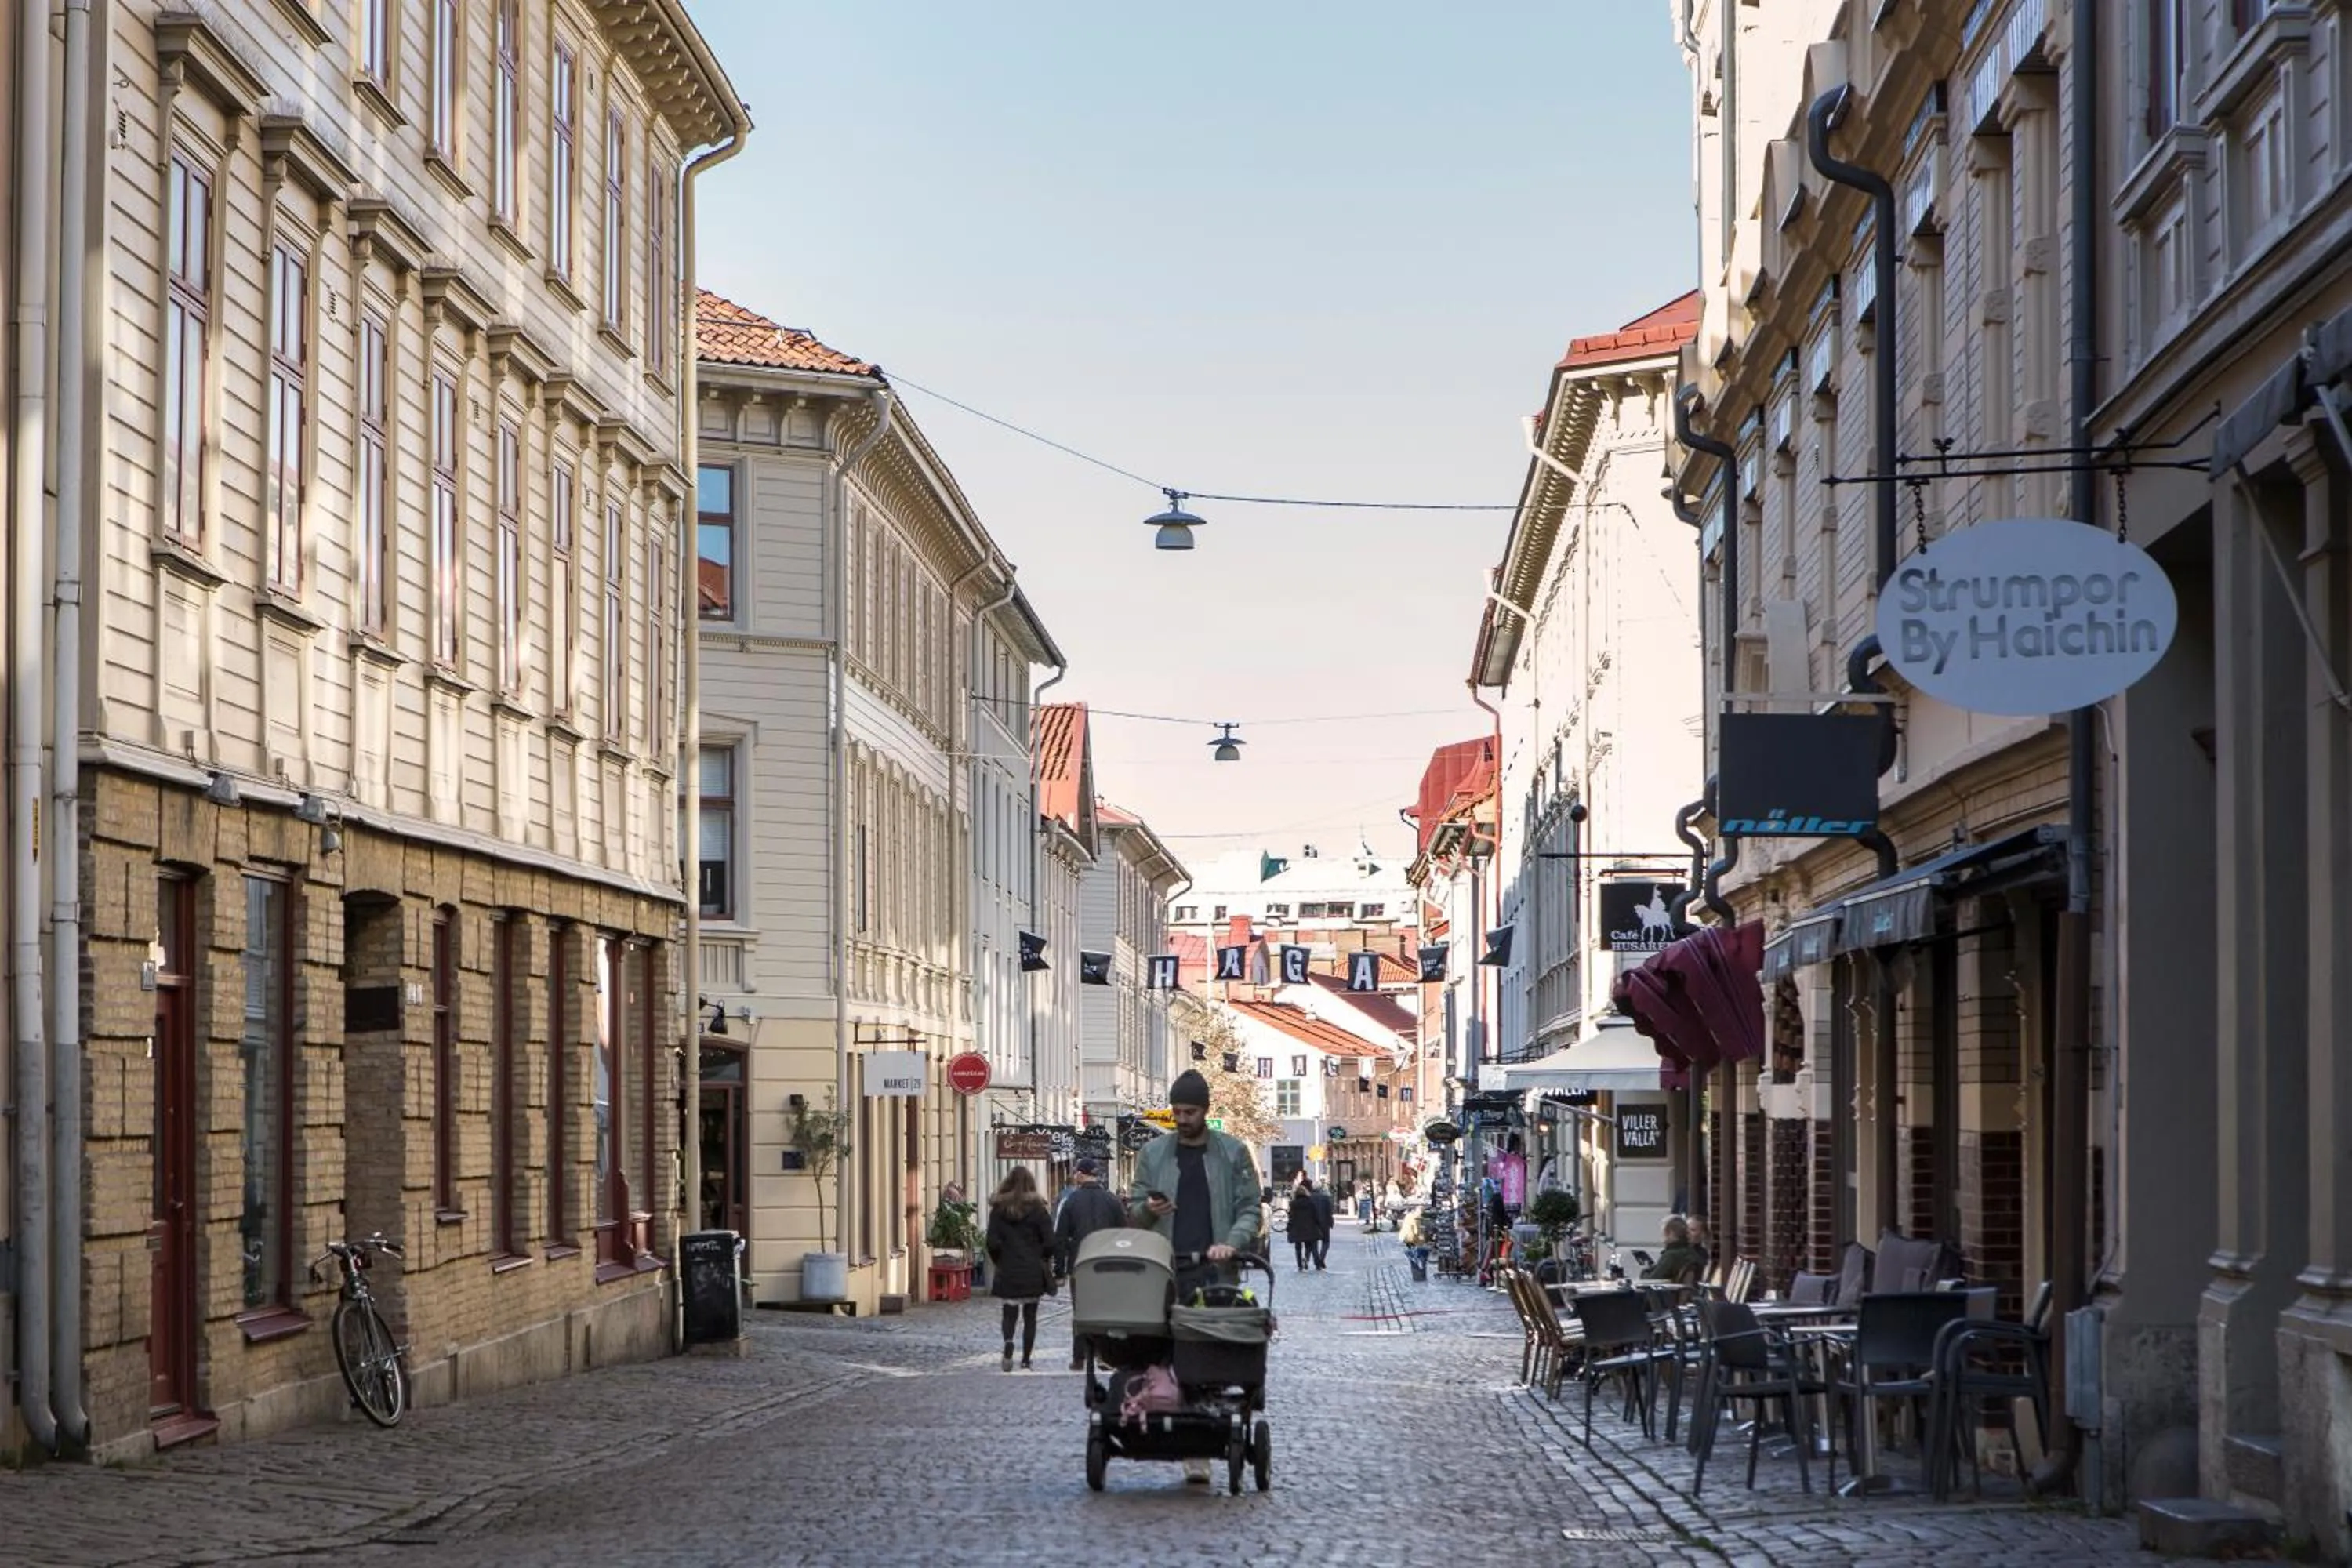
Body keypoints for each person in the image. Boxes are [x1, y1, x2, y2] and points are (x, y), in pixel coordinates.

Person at [1130, 1069, 1260, 1483]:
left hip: (1215, 1270)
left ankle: (1200, 1445)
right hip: (1164, 1267)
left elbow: (1250, 1209)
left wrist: (1233, 1243)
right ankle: (1167, 1420)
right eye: (1177, 1111)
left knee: (1205, 1356)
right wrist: (1149, 1210)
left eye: (1189, 1111)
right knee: (1162, 1349)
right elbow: (1133, 1212)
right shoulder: (1153, 1154)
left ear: (1205, 1111)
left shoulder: (1232, 1153)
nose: (1182, 1118)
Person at [1051, 1157, 1127, 1370]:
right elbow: (1124, 1233)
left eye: (1076, 1172)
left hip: (1081, 1264)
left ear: (1080, 1174)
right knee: (1105, 1309)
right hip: (1107, 1264)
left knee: (1081, 1311)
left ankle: (1079, 1358)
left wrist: (1059, 1271)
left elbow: (1060, 1238)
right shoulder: (1112, 1201)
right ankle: (1105, 1355)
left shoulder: (1071, 1201)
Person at [984, 1167, 1054, 1371]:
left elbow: (992, 1242)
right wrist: (1042, 1258)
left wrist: (1000, 1260)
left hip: (1009, 1268)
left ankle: (1008, 1342)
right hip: (1032, 1270)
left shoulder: (998, 1210)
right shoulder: (1039, 1210)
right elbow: (1050, 1241)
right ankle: (1026, 1359)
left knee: (1009, 1312)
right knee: (1030, 1317)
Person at [1642, 1214, 1705, 1286]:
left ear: (1671, 1233)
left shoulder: (1670, 1256)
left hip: (1666, 1295)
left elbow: (1652, 1281)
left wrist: (1645, 1272)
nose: (1662, 1235)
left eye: (1663, 1231)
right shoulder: (1693, 1253)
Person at [1287, 1177, 1325, 1272]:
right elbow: (1315, 1215)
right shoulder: (1310, 1203)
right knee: (1310, 1246)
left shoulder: (1293, 1204)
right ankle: (1310, 1260)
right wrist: (1319, 1225)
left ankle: (1300, 1266)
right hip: (1309, 1228)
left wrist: (1289, 1227)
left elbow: (1291, 1218)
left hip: (1297, 1229)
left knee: (1298, 1248)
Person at [1309, 1180, 1335, 1269]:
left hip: (1313, 1224)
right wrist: (1330, 1221)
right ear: (1320, 1188)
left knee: (1314, 1244)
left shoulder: (1310, 1198)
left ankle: (1317, 1261)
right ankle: (1321, 1259)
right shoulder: (1325, 1198)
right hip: (1324, 1224)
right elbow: (1330, 1211)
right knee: (1326, 1242)